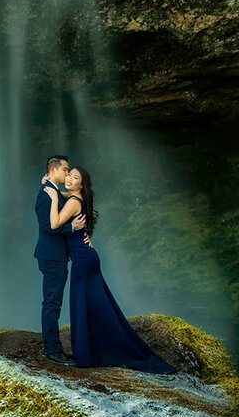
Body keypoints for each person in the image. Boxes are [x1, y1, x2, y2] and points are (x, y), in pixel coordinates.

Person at [45, 165, 176, 373]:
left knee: (83, 305)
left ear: (81, 184)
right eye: (68, 174)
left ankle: (86, 354)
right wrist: (53, 187)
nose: (69, 178)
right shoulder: (78, 199)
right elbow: (67, 197)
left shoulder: (72, 202)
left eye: (75, 177)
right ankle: (97, 348)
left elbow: (54, 223)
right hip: (87, 259)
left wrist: (53, 197)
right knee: (97, 306)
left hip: (83, 261)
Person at [35, 155, 86, 365]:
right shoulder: (46, 195)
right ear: (54, 169)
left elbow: (66, 199)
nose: (67, 174)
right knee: (51, 303)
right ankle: (52, 350)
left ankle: (53, 348)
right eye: (65, 170)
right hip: (52, 256)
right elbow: (47, 227)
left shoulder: (53, 191)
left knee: (53, 302)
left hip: (54, 256)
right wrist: (73, 228)